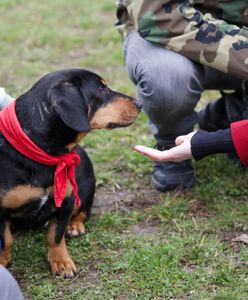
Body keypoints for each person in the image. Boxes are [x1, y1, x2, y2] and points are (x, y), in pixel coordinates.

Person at [115, 0, 248, 192]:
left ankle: (233, 111)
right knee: (167, 76)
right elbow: (156, 15)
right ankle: (173, 140)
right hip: (166, 32)